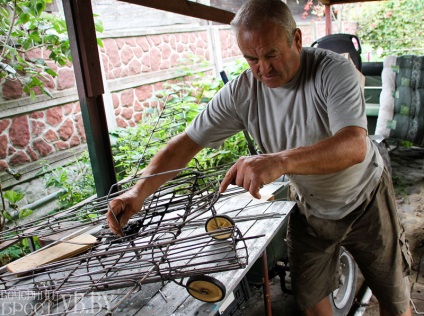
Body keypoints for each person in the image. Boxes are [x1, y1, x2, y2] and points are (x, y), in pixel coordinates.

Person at [106, 0, 412, 315]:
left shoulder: (333, 70)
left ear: (296, 40)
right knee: (311, 301)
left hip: (365, 199)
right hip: (311, 208)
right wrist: (138, 191)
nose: (262, 69)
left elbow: (353, 145)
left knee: (394, 301)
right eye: (251, 58)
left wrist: (277, 161)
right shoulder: (243, 91)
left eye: (271, 55)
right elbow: (186, 143)